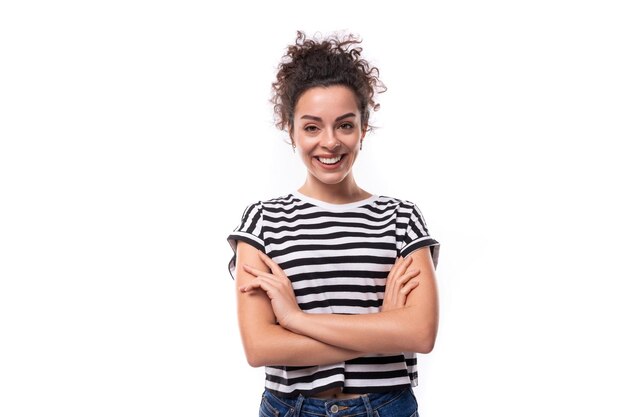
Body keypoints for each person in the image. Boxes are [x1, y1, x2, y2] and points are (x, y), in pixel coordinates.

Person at [227, 31, 440, 417]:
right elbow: (260, 346)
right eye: (312, 127)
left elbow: (420, 334)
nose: (330, 142)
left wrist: (293, 320)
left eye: (344, 125)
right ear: (290, 129)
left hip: (386, 407)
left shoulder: (401, 219)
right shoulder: (262, 221)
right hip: (291, 408)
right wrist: (383, 329)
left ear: (363, 127)